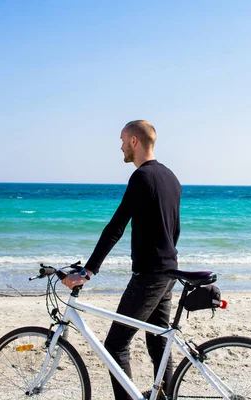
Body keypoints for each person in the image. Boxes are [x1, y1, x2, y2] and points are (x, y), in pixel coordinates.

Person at [62, 120, 182, 399]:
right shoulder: (171, 177)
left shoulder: (142, 177)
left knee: (115, 345)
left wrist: (89, 271)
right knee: (158, 342)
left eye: (122, 140)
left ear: (134, 142)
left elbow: (117, 225)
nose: (120, 147)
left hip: (149, 275)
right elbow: (175, 228)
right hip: (168, 271)